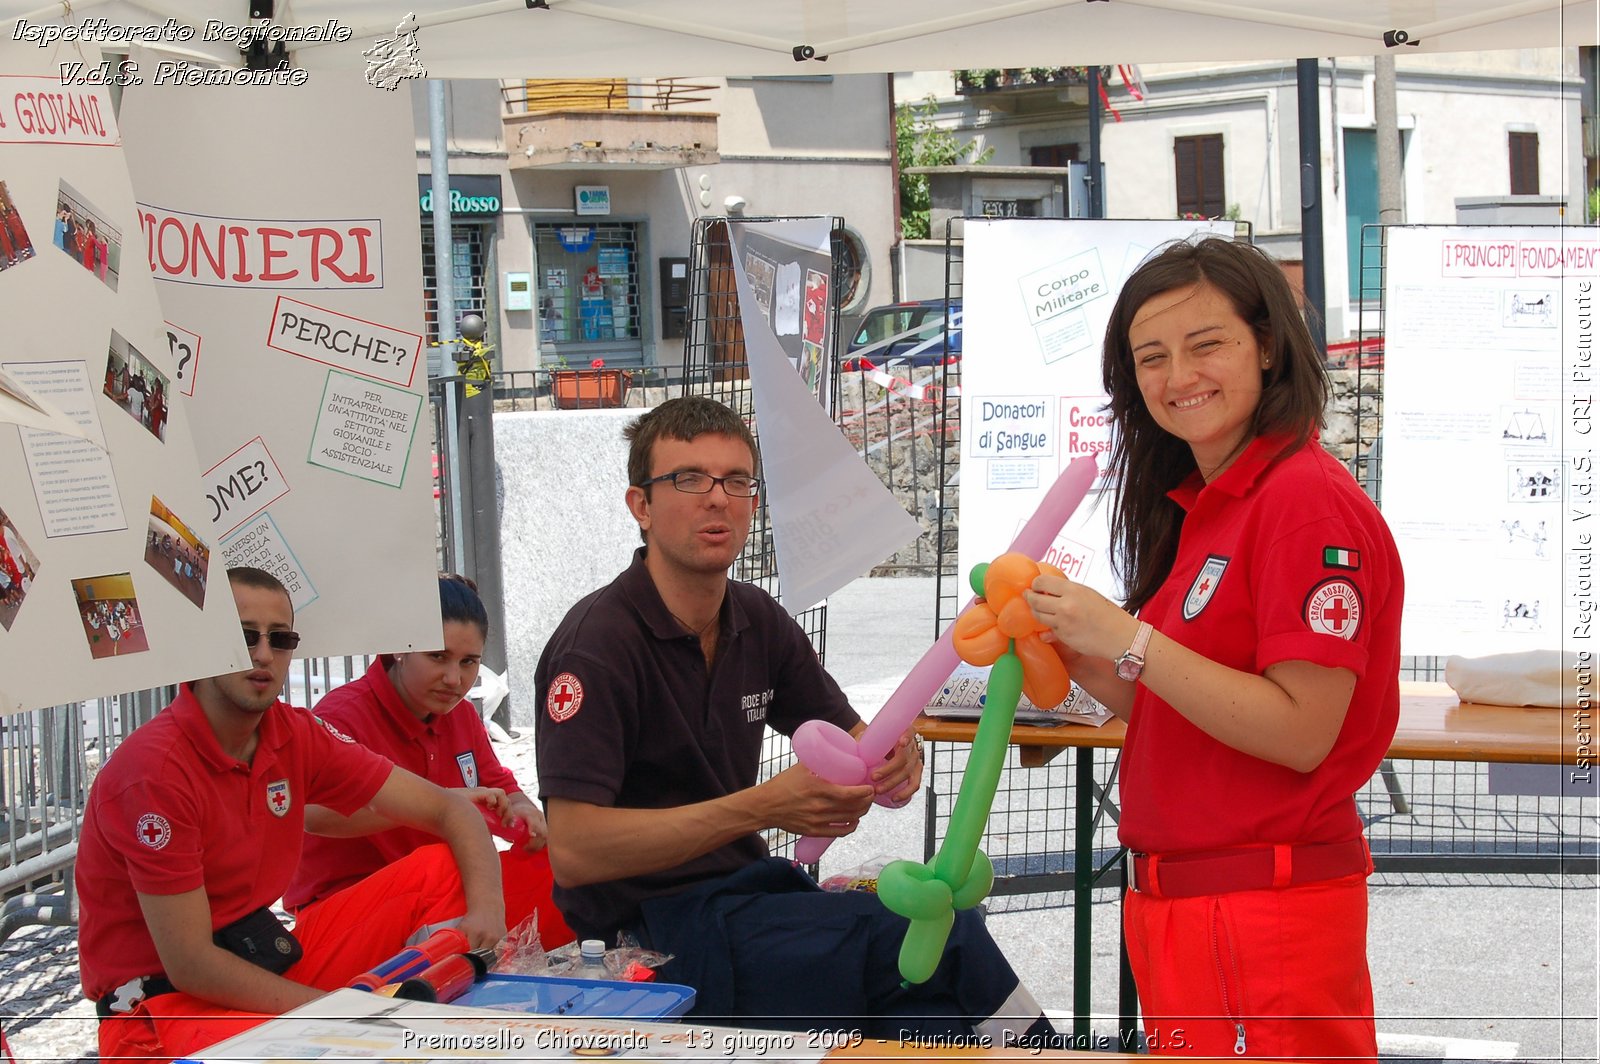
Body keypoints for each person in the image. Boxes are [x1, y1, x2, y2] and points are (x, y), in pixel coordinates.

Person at [535, 396, 1052, 1042]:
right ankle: (1052, 1056)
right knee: (939, 936)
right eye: (689, 479)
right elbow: (575, 851)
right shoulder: (598, 645)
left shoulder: (757, 621)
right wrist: (762, 808)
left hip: (750, 900)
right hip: (644, 941)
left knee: (926, 1010)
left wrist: (896, 758)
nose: (717, 499)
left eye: (737, 481)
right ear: (640, 505)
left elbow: (861, 737)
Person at [1023, 238, 1403, 1060]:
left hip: (1260, 910)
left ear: (1267, 346)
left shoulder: (1301, 501)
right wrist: (1077, 651)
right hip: (1189, 905)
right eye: (1150, 357)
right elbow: (1184, 702)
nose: (1176, 376)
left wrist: (1129, 638)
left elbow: (1302, 731)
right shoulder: (1214, 503)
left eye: (1207, 344)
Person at [77, 567, 506, 1064]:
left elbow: (450, 808)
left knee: (444, 868)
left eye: (280, 639)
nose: (262, 654)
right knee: (331, 1047)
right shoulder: (154, 772)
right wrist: (339, 1014)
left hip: (260, 956)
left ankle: (429, 1019)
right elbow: (192, 965)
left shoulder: (293, 732)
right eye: (243, 636)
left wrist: (489, 916)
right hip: (158, 1007)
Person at [286, 573, 575, 948]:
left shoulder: (461, 715)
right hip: (342, 909)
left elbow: (499, 785)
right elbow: (310, 815)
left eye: (469, 662)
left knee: (566, 860)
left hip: (438, 898)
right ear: (399, 649)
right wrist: (440, 804)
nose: (454, 678)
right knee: (437, 865)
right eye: (438, 656)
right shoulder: (343, 717)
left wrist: (521, 809)